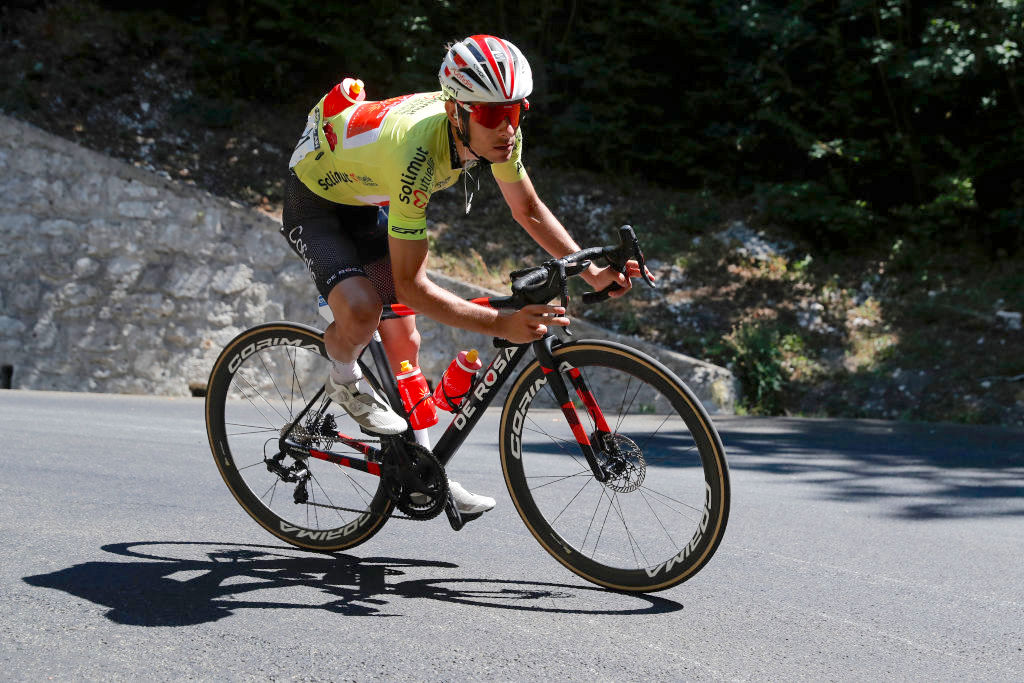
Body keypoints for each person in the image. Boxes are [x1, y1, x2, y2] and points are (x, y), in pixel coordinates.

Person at [280, 35, 642, 514]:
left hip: (366, 198)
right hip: (316, 201)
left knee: (405, 339)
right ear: (458, 113)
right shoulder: (417, 152)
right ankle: (343, 378)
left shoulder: (495, 129)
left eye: (515, 113)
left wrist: (592, 270)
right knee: (366, 311)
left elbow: (528, 208)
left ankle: (425, 470)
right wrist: (498, 324)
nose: (507, 129)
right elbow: (413, 284)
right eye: (493, 116)